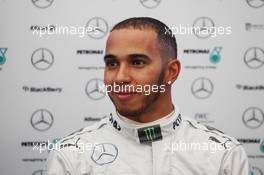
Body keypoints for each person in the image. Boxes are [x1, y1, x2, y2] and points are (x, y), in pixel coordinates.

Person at [47, 17, 250, 175]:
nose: (120, 78)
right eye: (111, 63)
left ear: (171, 72)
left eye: (137, 62)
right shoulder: (71, 155)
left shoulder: (224, 154)